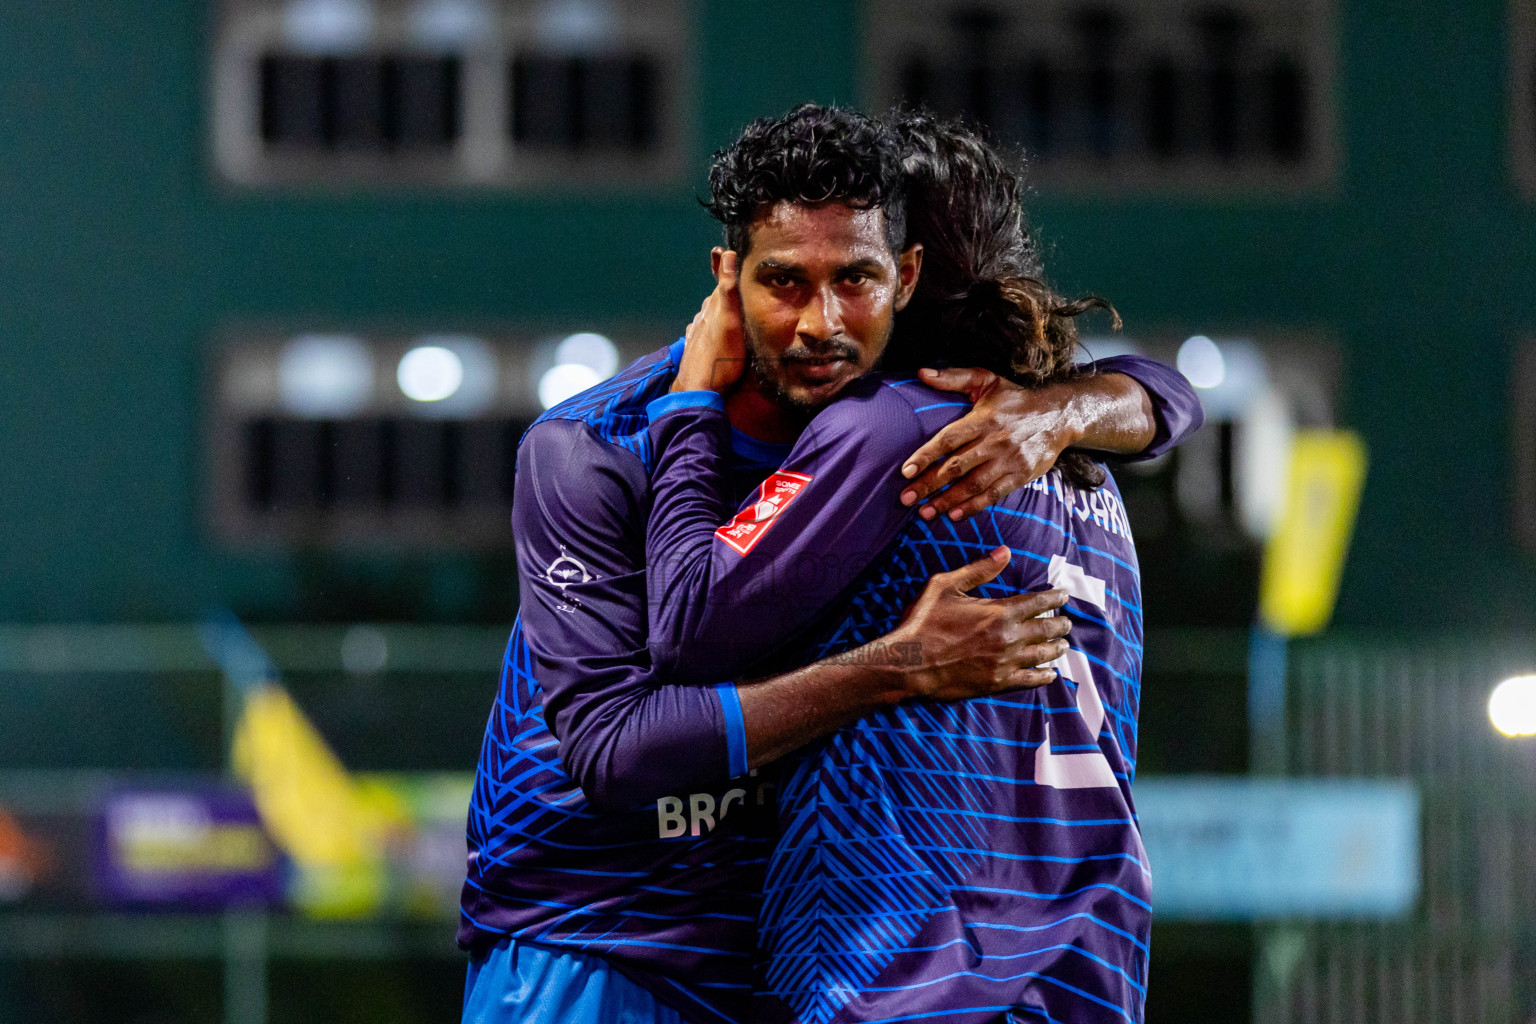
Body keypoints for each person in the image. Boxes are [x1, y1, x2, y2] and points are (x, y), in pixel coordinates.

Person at [459, 105, 1200, 1024]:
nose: (823, 321)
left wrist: (1068, 408)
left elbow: (1170, 392)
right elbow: (615, 746)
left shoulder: (915, 434)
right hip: (597, 936)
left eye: (857, 276)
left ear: (908, 276)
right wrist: (897, 666)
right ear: (728, 280)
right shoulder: (591, 447)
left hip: (765, 951)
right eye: (785, 283)